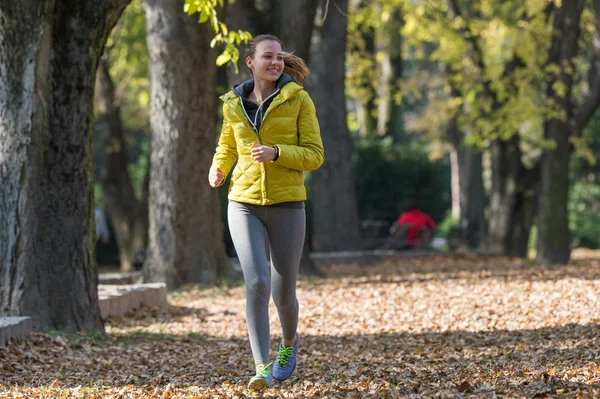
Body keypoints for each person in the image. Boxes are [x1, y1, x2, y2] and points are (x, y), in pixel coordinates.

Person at [208, 34, 324, 391]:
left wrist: (277, 152)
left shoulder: (298, 99)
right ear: (251, 62)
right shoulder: (233, 103)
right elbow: (227, 145)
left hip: (288, 204)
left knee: (283, 292)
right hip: (243, 202)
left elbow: (315, 154)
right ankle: (260, 367)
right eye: (267, 57)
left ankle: (289, 344)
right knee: (256, 283)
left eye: (278, 58)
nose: (275, 63)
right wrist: (218, 168)